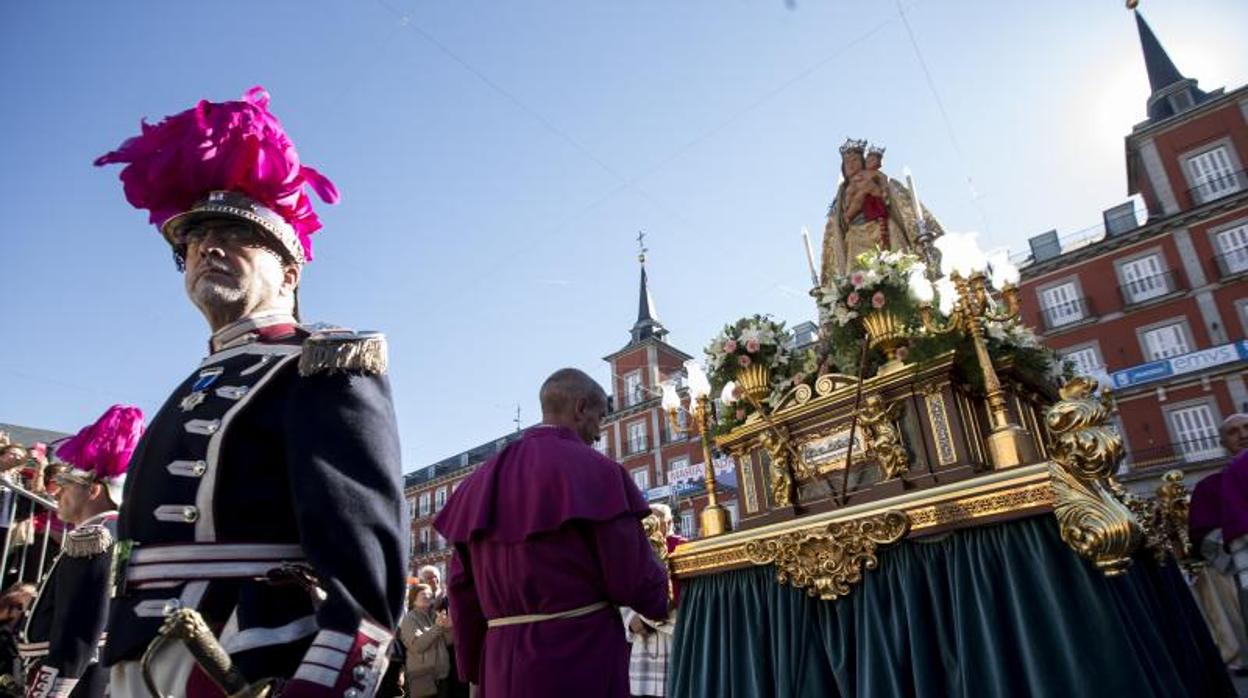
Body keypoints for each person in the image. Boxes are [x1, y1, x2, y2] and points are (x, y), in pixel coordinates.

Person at [94, 86, 406, 697]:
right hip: (141, 659)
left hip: (246, 658)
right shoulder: (195, 383)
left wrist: (319, 689)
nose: (206, 247)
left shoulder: (324, 365)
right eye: (193, 238)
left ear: (289, 270)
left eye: (236, 234)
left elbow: (365, 587)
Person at [434, 368, 670, 697]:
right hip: (579, 658)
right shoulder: (599, 472)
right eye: (600, 418)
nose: (599, 434)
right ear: (580, 408)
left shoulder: (476, 484)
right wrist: (664, 594)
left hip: (501, 666)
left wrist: (475, 668)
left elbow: (461, 591)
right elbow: (630, 577)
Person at [20, 405, 144, 698]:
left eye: (66, 484)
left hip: (76, 681)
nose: (57, 492)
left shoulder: (94, 536)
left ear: (93, 491)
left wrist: (51, 691)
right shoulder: (117, 532)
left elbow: (80, 630)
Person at [623, 504, 683, 698]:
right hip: (644, 652)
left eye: (657, 522)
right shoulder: (633, 556)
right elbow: (622, 594)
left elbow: (683, 597)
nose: (651, 528)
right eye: (647, 523)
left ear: (669, 523)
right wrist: (630, 621)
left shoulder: (682, 550)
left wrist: (648, 619)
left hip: (673, 643)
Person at [398, 584, 451, 697]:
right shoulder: (409, 619)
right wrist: (437, 627)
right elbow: (418, 646)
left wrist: (452, 627)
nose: (428, 596)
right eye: (423, 594)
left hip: (442, 678)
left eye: (430, 595)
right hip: (422, 679)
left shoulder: (434, 616)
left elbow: (447, 642)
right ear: (414, 599)